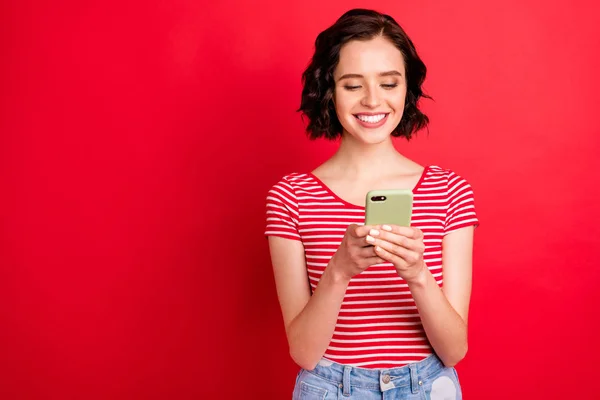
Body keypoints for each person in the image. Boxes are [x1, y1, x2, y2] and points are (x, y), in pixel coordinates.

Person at [265, 8, 479, 400]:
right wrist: (339, 272)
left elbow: (454, 349)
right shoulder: (291, 197)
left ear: (407, 88)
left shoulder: (449, 190)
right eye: (352, 85)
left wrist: (417, 273)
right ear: (328, 88)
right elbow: (304, 353)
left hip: (429, 387)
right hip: (329, 386)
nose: (372, 100)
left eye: (389, 83)